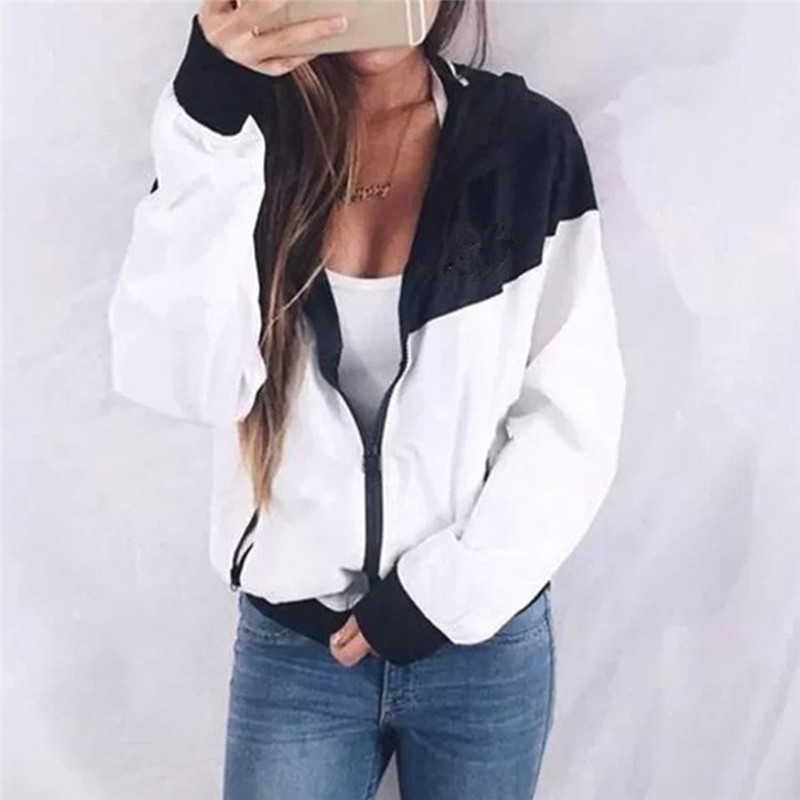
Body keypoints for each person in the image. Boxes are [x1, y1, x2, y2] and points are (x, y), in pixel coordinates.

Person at [107, 0, 626, 797]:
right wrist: (206, 112)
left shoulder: (524, 143)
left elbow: (574, 414)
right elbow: (182, 380)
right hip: (298, 651)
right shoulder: (244, 146)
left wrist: (445, 593)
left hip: (482, 643)